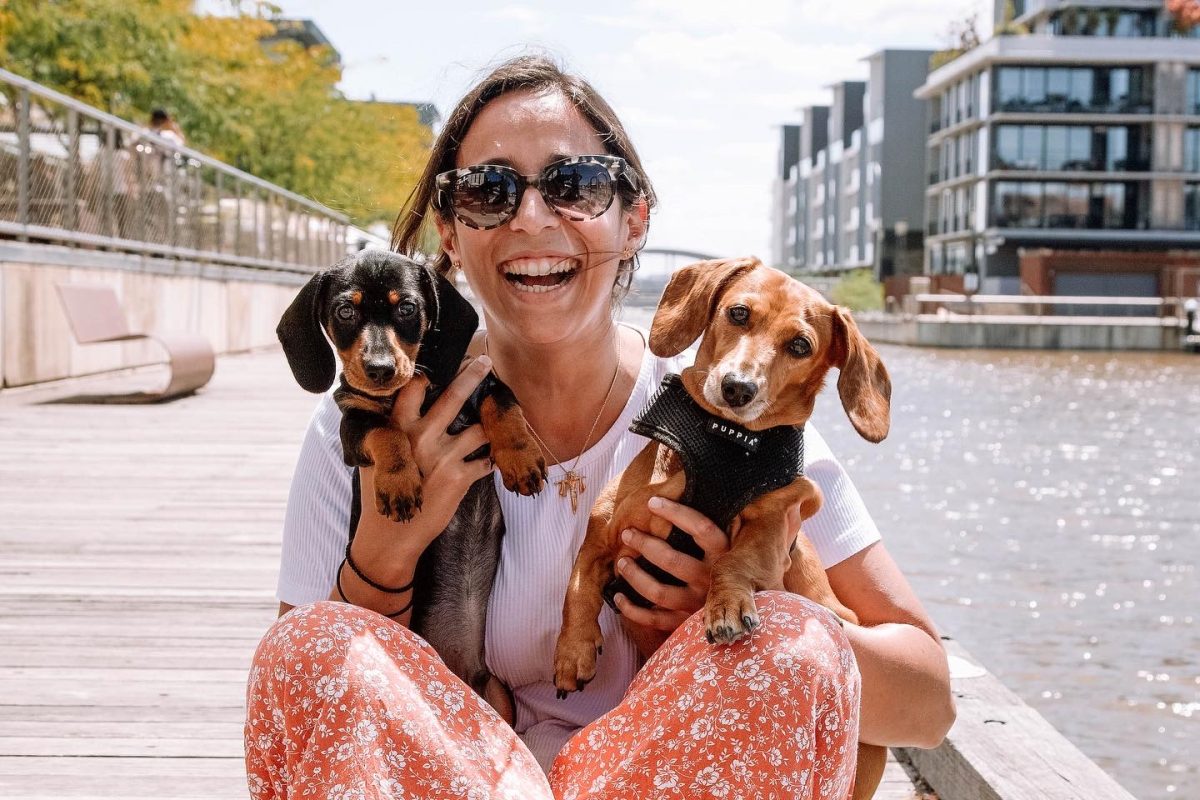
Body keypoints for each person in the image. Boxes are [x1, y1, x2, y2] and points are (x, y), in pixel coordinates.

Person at [244, 55, 955, 800]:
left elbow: (930, 707)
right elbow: (315, 687)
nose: (530, 217)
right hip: (467, 777)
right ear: (450, 234)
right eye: (488, 191)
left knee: (790, 647)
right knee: (309, 648)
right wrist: (386, 555)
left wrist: (754, 605)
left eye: (574, 185)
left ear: (634, 219)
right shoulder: (364, 429)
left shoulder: (745, 431)